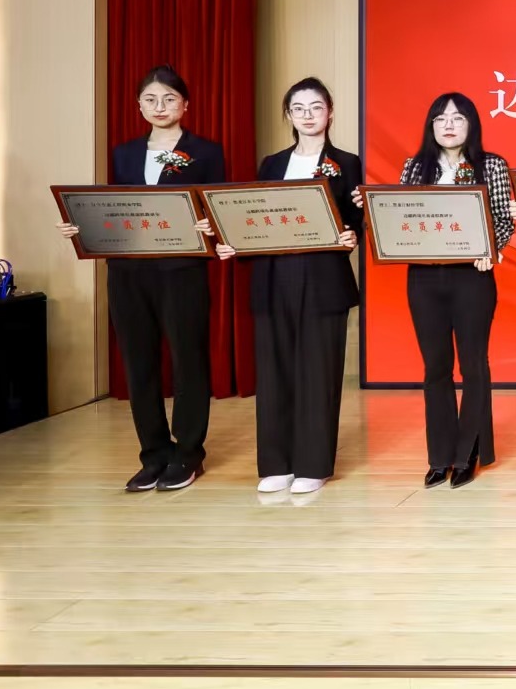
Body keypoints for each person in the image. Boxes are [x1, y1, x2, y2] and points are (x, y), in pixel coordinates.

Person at [57, 65, 225, 492]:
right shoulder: (124, 153)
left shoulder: (206, 152)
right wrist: (82, 225)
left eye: (169, 99)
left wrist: (209, 224)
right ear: (139, 106)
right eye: (150, 100)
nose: (159, 106)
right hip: (128, 272)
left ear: (185, 104)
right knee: (138, 363)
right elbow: (118, 208)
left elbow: (218, 207)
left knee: (188, 360)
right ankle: (153, 453)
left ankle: (188, 453)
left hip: (182, 271)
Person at [217, 77, 362, 497]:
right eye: (298, 108)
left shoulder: (347, 162)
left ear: (330, 113)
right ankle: (276, 463)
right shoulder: (271, 163)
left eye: (316, 107)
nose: (307, 115)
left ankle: (314, 464)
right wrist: (235, 242)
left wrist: (352, 234)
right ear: (289, 115)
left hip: (322, 278)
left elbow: (356, 219)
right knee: (274, 370)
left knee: (318, 372)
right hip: (272, 276)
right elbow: (256, 217)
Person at [390, 93, 516, 489]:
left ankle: (468, 453)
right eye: (441, 118)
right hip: (424, 278)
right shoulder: (414, 167)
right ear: (431, 125)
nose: (448, 125)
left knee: (473, 364)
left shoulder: (491, 165)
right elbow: (400, 216)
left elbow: (503, 218)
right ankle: (439, 456)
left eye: (458, 118)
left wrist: (490, 250)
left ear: (471, 125)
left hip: (472, 277)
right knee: (435, 367)